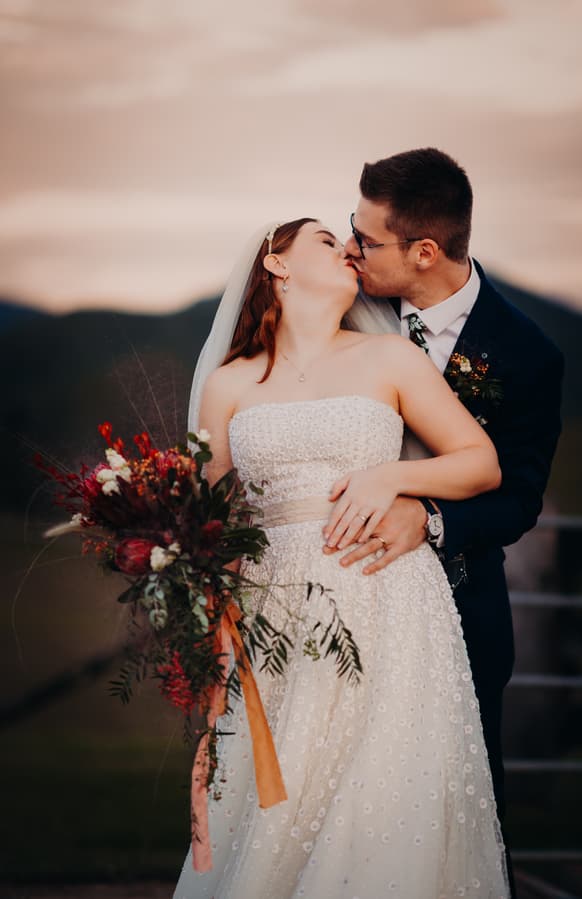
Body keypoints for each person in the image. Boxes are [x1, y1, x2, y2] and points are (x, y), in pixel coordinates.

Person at [174, 216, 510, 897]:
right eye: (327, 241)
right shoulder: (231, 384)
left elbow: (481, 463)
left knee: (379, 801)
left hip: (388, 598)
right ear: (276, 263)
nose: (347, 250)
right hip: (274, 621)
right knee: (282, 802)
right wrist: (211, 649)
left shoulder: (389, 360)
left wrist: (392, 478)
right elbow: (208, 533)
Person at [332, 148, 565, 896]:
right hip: (347, 602)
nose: (349, 248)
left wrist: (429, 520)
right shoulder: (346, 310)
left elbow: (518, 497)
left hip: (463, 607)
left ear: (424, 251)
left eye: (365, 238)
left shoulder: (529, 352)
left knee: (461, 816)